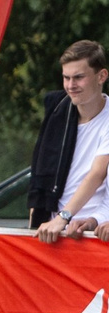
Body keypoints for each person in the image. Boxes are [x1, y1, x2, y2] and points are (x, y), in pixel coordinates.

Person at [32, 41, 109, 232]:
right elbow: (40, 177)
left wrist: (64, 217)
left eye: (79, 77)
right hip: (54, 229)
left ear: (102, 76)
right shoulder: (57, 114)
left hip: (92, 229)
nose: (70, 86)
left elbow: (97, 174)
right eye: (66, 78)